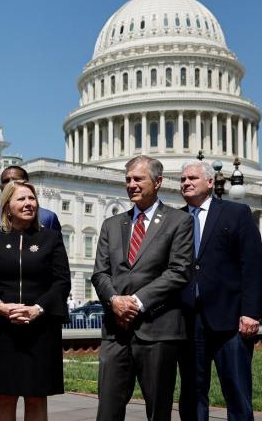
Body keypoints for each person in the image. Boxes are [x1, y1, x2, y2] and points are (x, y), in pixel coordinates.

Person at [91, 155, 194, 421]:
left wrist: (135, 302)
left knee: (158, 411)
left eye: (138, 179)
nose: (131, 185)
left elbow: (179, 271)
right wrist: (114, 300)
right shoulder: (112, 225)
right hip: (116, 332)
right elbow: (100, 273)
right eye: (128, 180)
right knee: (108, 411)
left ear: (158, 182)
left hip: (158, 330)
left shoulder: (179, 222)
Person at [0, 180, 70, 421]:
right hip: (0, 330)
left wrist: (38, 308)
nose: (28, 204)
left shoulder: (52, 239)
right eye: (21, 199)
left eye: (32, 198)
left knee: (36, 397)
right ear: (7, 206)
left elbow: (61, 281)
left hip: (40, 329)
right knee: (4, 396)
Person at [177, 160, 262, 421]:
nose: (186, 183)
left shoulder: (236, 213)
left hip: (231, 322)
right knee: (192, 396)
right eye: (182, 180)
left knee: (237, 394)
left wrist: (251, 312)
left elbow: (253, 265)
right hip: (189, 321)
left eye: (192, 178)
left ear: (210, 182)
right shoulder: (176, 219)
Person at [0, 165, 61, 248]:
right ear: (0, 187)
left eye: (16, 180)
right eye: (6, 181)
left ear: (26, 184)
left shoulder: (48, 218)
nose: (10, 184)